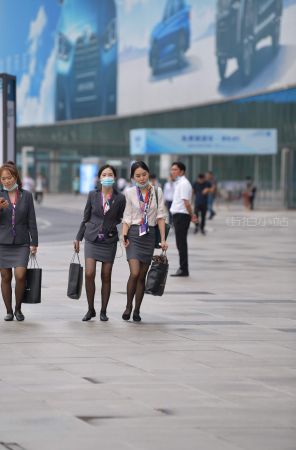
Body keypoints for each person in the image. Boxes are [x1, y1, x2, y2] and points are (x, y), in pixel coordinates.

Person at [74, 165, 126, 322]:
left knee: (106, 275)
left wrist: (122, 233)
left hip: (109, 240)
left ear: (115, 177)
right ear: (99, 178)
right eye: (104, 174)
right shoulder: (93, 195)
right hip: (91, 238)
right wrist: (78, 237)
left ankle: (103, 310)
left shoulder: (120, 198)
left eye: (110, 174)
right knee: (89, 273)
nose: (107, 176)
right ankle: (91, 309)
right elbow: (86, 217)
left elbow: (122, 218)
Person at [122, 161, 168, 322]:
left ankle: (137, 310)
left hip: (149, 234)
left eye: (144, 175)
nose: (141, 178)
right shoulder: (129, 193)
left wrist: (163, 240)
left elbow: (161, 216)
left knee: (142, 276)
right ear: (132, 177)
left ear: (148, 174)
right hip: (134, 234)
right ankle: (128, 306)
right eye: (138, 176)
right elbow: (127, 217)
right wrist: (125, 236)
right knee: (134, 272)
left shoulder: (157, 192)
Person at [0, 162, 38, 321]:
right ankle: (9, 310)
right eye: (3, 178)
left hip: (22, 242)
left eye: (9, 177)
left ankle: (18, 308)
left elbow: (32, 220)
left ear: (15, 177)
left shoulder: (26, 195)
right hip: (2, 242)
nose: (7, 181)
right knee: (5, 276)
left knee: (21, 275)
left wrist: (34, 242)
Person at [170, 161, 197, 277]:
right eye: (172, 169)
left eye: (175, 169)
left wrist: (192, 215)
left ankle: (183, 269)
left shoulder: (184, 183)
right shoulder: (179, 183)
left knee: (181, 243)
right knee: (180, 243)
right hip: (178, 215)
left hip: (182, 215)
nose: (173, 171)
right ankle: (183, 268)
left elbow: (186, 202)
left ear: (181, 171)